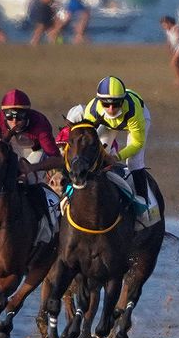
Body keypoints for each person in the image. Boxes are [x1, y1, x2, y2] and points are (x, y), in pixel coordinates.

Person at [0, 89, 62, 237]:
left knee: (28, 180)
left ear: (28, 114)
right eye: (10, 116)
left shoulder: (40, 123)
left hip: (33, 152)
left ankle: (46, 223)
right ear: (3, 114)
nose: (14, 121)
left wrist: (32, 168)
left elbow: (57, 159)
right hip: (6, 152)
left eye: (20, 116)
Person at [69, 76, 160, 226]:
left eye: (116, 104)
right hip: (107, 124)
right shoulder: (92, 111)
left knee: (134, 162)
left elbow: (137, 143)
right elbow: (86, 140)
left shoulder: (133, 110)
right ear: (99, 101)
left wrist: (116, 157)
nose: (111, 109)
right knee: (95, 158)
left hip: (136, 119)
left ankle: (144, 208)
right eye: (106, 104)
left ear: (122, 101)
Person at [160, 15, 179, 88]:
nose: (164, 27)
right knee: (178, 65)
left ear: (169, 23)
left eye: (165, 25)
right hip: (174, 48)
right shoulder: (167, 31)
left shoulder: (176, 28)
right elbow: (168, 40)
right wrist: (169, 47)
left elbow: (178, 37)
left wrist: (174, 42)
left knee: (173, 63)